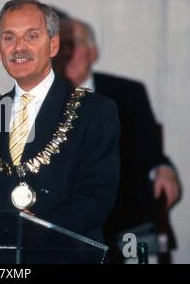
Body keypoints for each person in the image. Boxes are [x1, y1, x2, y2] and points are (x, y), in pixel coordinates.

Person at [0, 0, 120, 258]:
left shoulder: (95, 110)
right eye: (9, 39)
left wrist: (38, 230)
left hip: (66, 255)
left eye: (31, 36)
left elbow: (97, 195)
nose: (19, 47)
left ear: (53, 44)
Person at [52, 18, 180, 261]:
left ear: (93, 53)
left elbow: (151, 151)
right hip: (62, 206)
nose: (67, 52)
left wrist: (164, 170)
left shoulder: (128, 93)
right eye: (62, 45)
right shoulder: (43, 98)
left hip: (117, 205)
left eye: (74, 44)